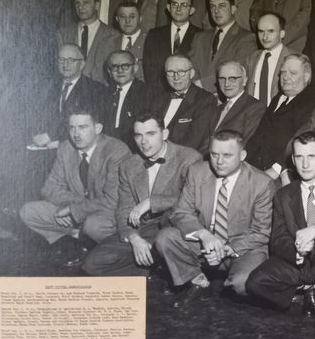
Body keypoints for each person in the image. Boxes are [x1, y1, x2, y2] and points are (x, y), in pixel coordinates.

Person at [246, 131, 315, 316]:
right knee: (255, 283)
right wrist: (297, 251)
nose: (305, 164)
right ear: (293, 160)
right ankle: (307, 293)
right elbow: (278, 239)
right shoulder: (284, 195)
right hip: (302, 263)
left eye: (311, 157)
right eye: (299, 157)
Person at [156, 130, 275, 301]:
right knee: (165, 237)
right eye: (214, 154)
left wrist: (226, 248)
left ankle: (233, 279)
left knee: (243, 284)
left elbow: (261, 232)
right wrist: (204, 235)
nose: (219, 162)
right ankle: (198, 281)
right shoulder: (197, 172)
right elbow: (181, 212)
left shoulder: (262, 183)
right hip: (206, 244)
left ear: (242, 155)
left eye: (227, 155)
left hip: (243, 248)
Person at [83, 113, 201, 276]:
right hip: (145, 228)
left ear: (164, 134)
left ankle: (166, 263)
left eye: (151, 134)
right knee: (92, 264)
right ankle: (156, 266)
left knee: (165, 240)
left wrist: (152, 202)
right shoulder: (129, 164)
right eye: (139, 135)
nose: (144, 142)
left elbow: (193, 201)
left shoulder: (189, 159)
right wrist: (134, 238)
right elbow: (124, 208)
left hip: (174, 226)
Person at [20, 105, 130, 265]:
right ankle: (78, 237)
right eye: (72, 128)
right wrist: (67, 208)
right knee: (28, 211)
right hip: (79, 210)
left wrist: (74, 210)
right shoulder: (66, 148)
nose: (76, 134)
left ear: (98, 128)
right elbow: (49, 188)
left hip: (106, 213)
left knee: (93, 227)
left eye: (83, 127)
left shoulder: (116, 151)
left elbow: (113, 200)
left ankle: (95, 244)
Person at [245, 53, 315, 180]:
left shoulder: (314, 103)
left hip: (280, 173)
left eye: (293, 73)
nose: (285, 77)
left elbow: (300, 142)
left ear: (306, 76)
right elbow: (260, 133)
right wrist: (243, 157)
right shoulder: (278, 98)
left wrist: (276, 169)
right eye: (283, 72)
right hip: (254, 166)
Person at [31, 44, 107, 148]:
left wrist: (52, 137)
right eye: (61, 60)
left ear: (82, 64)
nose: (65, 65)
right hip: (44, 147)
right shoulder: (47, 87)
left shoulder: (96, 89)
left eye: (71, 60)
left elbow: (90, 125)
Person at [190, 0, 257, 93]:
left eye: (222, 6)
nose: (216, 11)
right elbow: (191, 69)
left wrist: (201, 85)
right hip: (198, 99)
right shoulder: (200, 37)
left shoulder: (247, 38)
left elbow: (237, 73)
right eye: (212, 7)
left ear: (233, 9)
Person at [142, 0, 211, 91]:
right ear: (169, 8)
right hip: (159, 96)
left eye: (184, 5)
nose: (178, 9)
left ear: (192, 10)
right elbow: (149, 69)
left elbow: (202, 70)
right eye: (174, 4)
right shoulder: (154, 35)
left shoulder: (202, 36)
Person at [151, 54, 217, 152]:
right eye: (170, 72)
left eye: (181, 72)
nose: (176, 77)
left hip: (181, 158)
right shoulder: (159, 98)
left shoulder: (205, 100)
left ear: (191, 73)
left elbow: (193, 142)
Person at [58, 0, 120, 85]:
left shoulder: (113, 35)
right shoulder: (63, 34)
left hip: (101, 93)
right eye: (77, 3)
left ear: (97, 5)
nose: (80, 7)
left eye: (86, 2)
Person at [205, 61, 266, 144]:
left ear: (244, 81)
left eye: (232, 79)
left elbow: (246, 144)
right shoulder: (218, 108)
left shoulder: (255, 107)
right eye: (222, 79)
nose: (226, 84)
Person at [102, 50, 149, 152]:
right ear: (109, 72)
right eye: (115, 67)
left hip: (134, 151)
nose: (120, 71)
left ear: (135, 68)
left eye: (125, 66)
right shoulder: (103, 94)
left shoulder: (146, 93)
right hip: (106, 150)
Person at [246, 12, 292, 106]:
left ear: (282, 33)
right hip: (253, 116)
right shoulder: (251, 58)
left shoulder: (294, 59)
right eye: (261, 31)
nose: (265, 37)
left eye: (270, 31)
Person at [113, 2, 147, 81]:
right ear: (117, 19)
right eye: (122, 16)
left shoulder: (151, 42)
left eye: (132, 16)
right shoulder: (107, 43)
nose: (127, 21)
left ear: (140, 18)